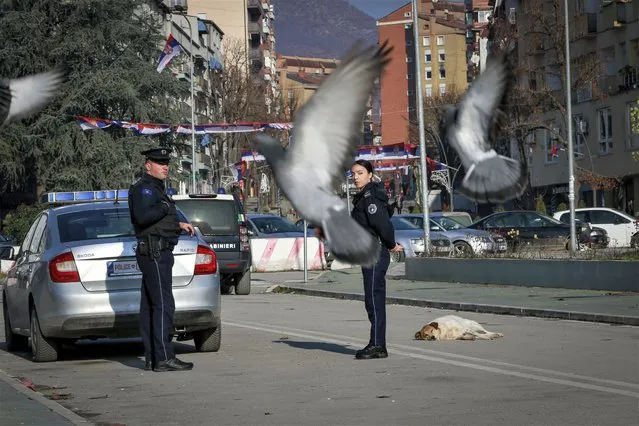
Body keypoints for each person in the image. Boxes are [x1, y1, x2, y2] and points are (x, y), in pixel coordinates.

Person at [128, 147, 195, 372]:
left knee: (150, 306)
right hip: (155, 254)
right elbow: (143, 217)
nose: (165, 166)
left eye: (166, 162)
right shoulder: (145, 189)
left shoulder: (156, 188)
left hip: (157, 252)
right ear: (148, 165)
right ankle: (164, 357)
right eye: (159, 162)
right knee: (164, 305)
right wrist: (165, 206)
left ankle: (153, 358)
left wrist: (178, 225)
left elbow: (156, 221)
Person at [341, 160, 404, 359]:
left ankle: (378, 345)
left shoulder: (370, 198)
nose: (355, 177)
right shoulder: (363, 197)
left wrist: (392, 244)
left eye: (360, 173)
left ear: (370, 174)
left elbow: (382, 225)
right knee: (371, 299)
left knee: (374, 299)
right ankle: (376, 342)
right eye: (353, 174)